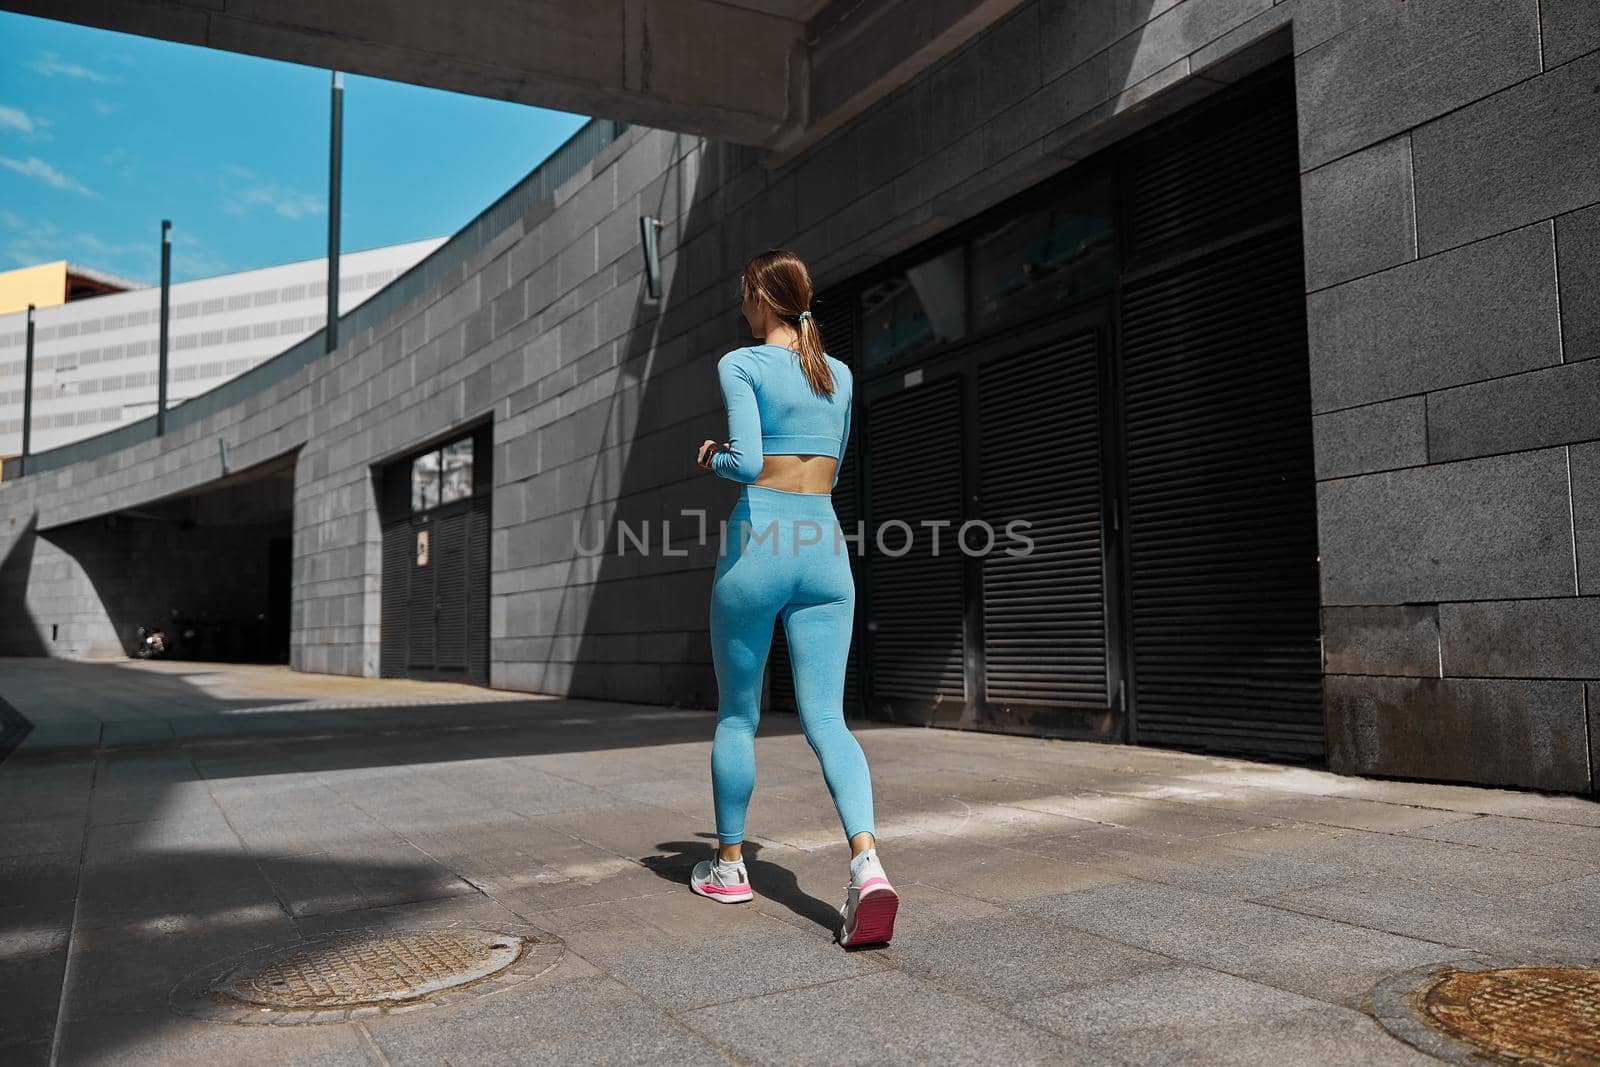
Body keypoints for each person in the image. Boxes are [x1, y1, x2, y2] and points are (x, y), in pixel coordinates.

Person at [688, 249, 899, 949]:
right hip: (825, 551)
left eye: (742, 294)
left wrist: (713, 453)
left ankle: (728, 866)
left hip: (759, 548)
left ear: (759, 297)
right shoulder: (836, 372)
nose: (740, 306)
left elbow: (748, 463)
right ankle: (867, 863)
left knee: (738, 715)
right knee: (828, 720)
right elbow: (830, 458)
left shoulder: (741, 363)